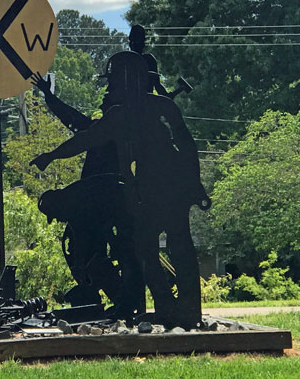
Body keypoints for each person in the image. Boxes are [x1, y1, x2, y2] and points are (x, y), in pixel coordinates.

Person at [31, 51, 210, 329]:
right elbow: (85, 138)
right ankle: (167, 307)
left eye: (113, 82)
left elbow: (186, 146)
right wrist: (52, 155)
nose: (110, 88)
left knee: (176, 245)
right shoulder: (125, 115)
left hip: (166, 188)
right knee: (147, 248)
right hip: (149, 190)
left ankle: (187, 310)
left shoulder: (156, 109)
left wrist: (195, 184)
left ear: (128, 80)